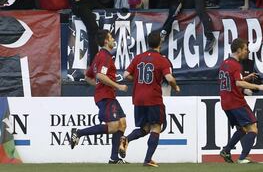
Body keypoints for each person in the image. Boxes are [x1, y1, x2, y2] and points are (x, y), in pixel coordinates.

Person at [121, 31, 180, 167]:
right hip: (153, 98)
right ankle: (148, 159)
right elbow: (169, 78)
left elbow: (125, 74)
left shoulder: (138, 57)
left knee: (145, 128)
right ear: (160, 43)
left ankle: (126, 139)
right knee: (156, 127)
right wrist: (175, 87)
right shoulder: (162, 59)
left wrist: (138, 80)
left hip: (138, 98)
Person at [70, 30, 129, 164]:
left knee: (122, 124)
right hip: (106, 97)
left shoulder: (98, 56)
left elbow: (88, 76)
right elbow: (100, 76)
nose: (114, 40)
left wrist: (98, 87)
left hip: (107, 95)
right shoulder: (105, 57)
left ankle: (114, 159)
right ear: (106, 41)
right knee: (114, 126)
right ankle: (79, 133)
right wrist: (118, 86)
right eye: (111, 37)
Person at [219, 38, 263, 164]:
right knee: (253, 129)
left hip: (225, 102)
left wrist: (245, 77)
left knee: (242, 129)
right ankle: (243, 157)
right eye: (245, 49)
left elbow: (232, 80)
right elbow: (238, 83)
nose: (247, 52)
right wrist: (258, 86)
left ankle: (226, 150)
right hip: (236, 102)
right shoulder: (236, 65)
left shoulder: (225, 63)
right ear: (238, 50)